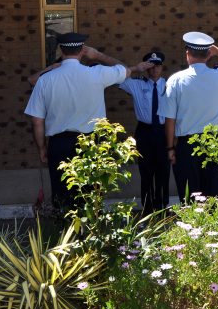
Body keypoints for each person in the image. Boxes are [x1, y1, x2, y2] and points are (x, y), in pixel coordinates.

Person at [24, 32, 152, 208]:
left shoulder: (46, 79)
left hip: (59, 143)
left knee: (62, 197)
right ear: (82, 50)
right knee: (91, 198)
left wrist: (42, 148)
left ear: (61, 50)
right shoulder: (97, 73)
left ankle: (64, 225)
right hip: (91, 142)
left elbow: (37, 121)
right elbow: (125, 70)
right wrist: (98, 56)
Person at [159, 32, 218, 202]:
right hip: (214, 143)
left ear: (187, 53)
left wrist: (170, 148)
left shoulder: (175, 80)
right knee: (214, 197)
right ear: (208, 54)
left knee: (190, 198)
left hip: (187, 146)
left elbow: (170, 119)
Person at [119, 51, 169, 214]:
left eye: (157, 66)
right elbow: (118, 77)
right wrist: (135, 68)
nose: (154, 69)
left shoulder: (169, 84)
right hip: (145, 131)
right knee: (146, 171)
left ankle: (162, 207)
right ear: (145, 68)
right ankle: (147, 208)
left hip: (163, 131)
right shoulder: (137, 84)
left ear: (162, 67)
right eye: (150, 66)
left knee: (163, 171)